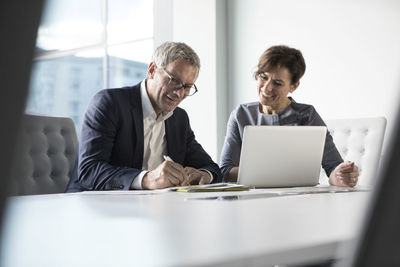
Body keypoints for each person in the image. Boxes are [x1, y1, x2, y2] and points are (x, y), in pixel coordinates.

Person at [66, 41, 221, 192]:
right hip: (94, 206)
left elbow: (210, 167)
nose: (179, 93)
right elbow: (89, 171)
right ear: (152, 70)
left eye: (187, 87)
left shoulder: (179, 118)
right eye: (173, 80)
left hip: (149, 208)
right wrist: (147, 179)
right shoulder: (110, 103)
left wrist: (204, 175)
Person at [220, 45, 359, 187]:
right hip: (251, 200)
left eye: (277, 83)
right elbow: (225, 171)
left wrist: (341, 176)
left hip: (299, 200)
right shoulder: (241, 115)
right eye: (263, 77)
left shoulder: (307, 115)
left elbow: (333, 167)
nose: (266, 88)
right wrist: (271, 173)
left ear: (293, 86)